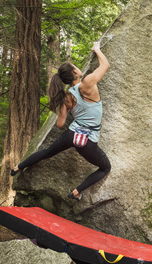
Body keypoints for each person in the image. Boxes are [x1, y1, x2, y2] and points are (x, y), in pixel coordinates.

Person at [10, 42, 111, 201]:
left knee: (47, 152)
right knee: (105, 167)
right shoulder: (88, 83)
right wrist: (96, 49)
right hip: (87, 141)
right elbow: (105, 65)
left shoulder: (67, 97)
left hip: (71, 134)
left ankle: (18, 167)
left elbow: (59, 124)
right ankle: (77, 192)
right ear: (75, 71)